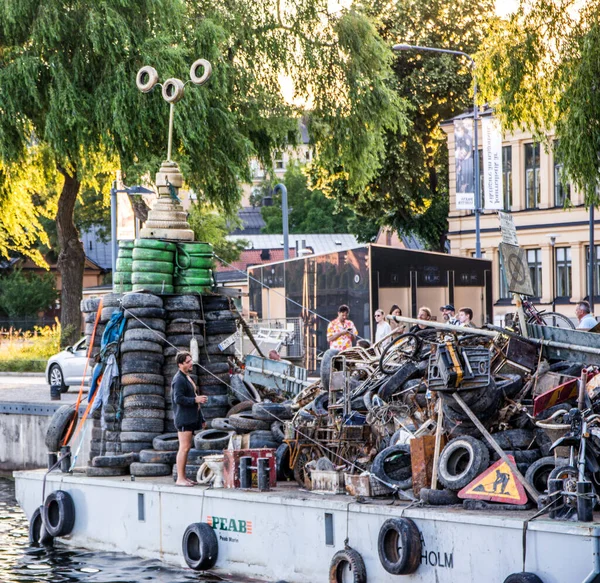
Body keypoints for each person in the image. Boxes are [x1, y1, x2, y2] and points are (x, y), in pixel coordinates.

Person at [172, 351, 208, 487]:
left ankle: (184, 477)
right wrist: (195, 399)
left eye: (191, 360)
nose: (191, 363)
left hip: (191, 417)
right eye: (187, 361)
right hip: (183, 418)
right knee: (184, 448)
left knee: (187, 447)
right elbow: (178, 399)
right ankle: (180, 478)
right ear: (180, 364)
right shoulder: (179, 379)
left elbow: (194, 399)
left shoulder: (187, 377)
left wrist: (201, 418)